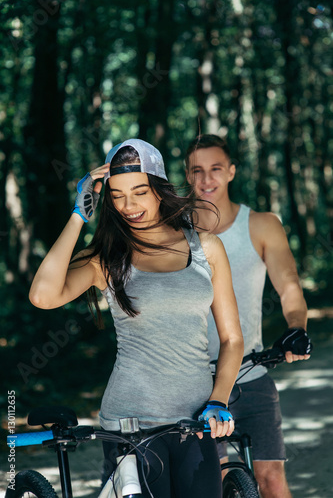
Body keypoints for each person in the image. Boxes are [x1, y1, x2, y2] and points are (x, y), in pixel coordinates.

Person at [29, 138, 244, 498]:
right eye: (117, 194)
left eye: (140, 191)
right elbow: (43, 295)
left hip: (195, 419)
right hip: (130, 423)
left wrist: (218, 401)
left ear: (159, 189)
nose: (129, 205)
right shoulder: (106, 258)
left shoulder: (204, 246)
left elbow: (232, 339)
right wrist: (79, 214)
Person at [185, 134, 312, 498]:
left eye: (215, 169)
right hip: (193, 382)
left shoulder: (261, 225)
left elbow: (289, 287)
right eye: (197, 171)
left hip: (251, 373)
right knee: (215, 483)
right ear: (187, 175)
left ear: (231, 172)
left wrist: (296, 328)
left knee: (271, 480)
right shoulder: (175, 231)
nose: (206, 180)